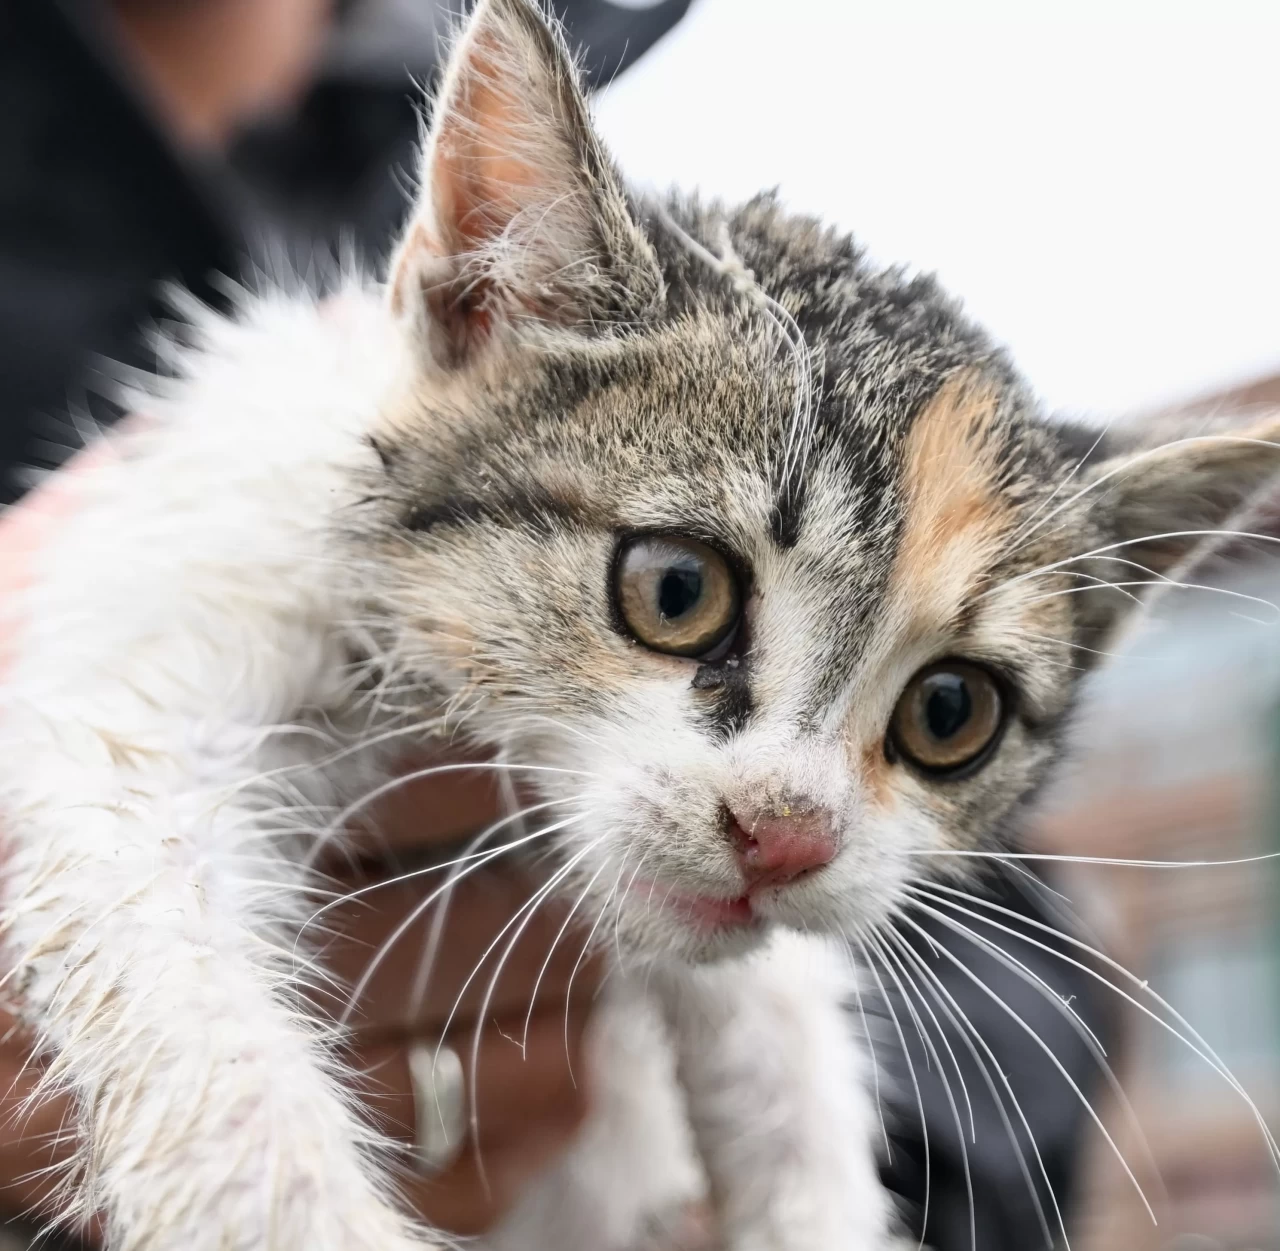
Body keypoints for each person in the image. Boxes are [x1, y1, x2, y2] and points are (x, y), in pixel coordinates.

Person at [0, 2, 1107, 1247]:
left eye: (937, 715)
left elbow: (1014, 1023)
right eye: (675, 593)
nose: (786, 824)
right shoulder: (335, 414)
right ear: (476, 289)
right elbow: (112, 801)